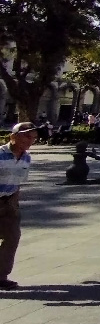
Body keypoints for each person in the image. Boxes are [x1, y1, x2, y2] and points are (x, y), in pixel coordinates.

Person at [0, 123, 38, 289]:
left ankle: (1, 276)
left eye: (34, 138)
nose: (30, 141)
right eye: (27, 136)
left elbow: (18, 183)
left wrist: (14, 203)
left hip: (9, 202)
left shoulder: (26, 158)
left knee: (12, 237)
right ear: (13, 137)